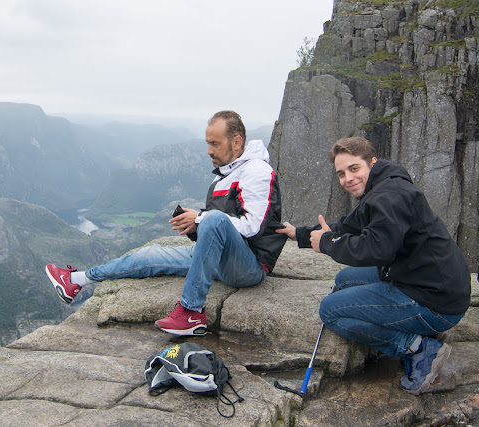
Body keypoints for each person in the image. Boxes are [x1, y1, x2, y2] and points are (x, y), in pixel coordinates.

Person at [45, 110, 287, 336]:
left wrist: (202, 218)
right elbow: (221, 225)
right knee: (150, 256)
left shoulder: (257, 171)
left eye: (215, 144)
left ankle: (192, 312)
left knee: (211, 218)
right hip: (221, 258)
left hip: (249, 266)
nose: (209, 151)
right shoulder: (225, 175)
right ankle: (75, 281)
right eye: (208, 144)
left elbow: (253, 227)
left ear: (236, 142)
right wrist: (197, 227)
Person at [276, 136, 471, 395]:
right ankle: (425, 333)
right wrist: (299, 234)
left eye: (354, 168)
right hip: (428, 280)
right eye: (341, 173)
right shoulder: (382, 187)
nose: (347, 178)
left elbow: (377, 248)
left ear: (372, 162)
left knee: (331, 310)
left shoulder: (388, 196)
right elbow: (350, 225)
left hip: (435, 302)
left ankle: (418, 347)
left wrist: (329, 244)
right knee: (345, 279)